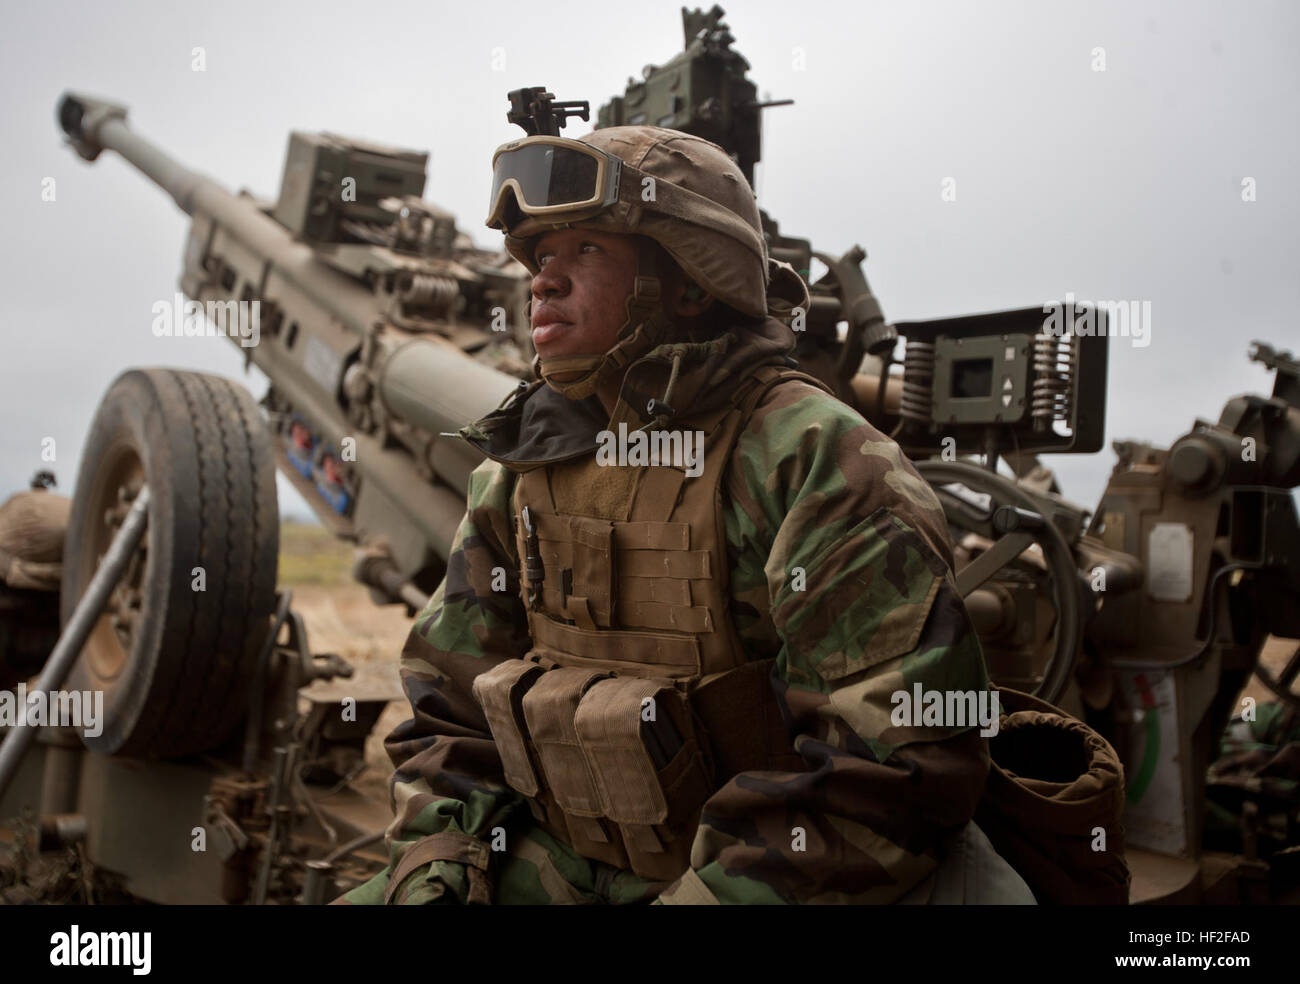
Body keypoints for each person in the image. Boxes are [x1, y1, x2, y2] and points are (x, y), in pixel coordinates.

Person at [336, 124, 1032, 905]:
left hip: (754, 877)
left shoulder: (814, 461)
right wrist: (439, 863)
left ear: (692, 282)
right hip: (557, 855)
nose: (543, 282)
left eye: (585, 249)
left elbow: (892, 775)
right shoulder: (522, 465)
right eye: (540, 256)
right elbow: (449, 707)